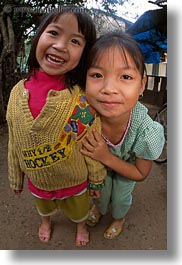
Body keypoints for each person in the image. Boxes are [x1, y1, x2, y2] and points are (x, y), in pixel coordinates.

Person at [6, 6, 106, 247]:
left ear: (85, 53)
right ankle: (46, 222)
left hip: (75, 180)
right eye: (53, 33)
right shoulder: (16, 93)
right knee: (43, 205)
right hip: (38, 180)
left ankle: (81, 226)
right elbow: (14, 140)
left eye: (75, 41)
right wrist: (15, 176)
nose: (61, 46)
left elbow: (92, 142)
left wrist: (96, 179)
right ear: (38, 36)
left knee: (80, 211)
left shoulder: (81, 100)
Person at [80, 31, 165, 240]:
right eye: (97, 75)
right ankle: (99, 209)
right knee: (99, 192)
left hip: (127, 169)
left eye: (125, 77)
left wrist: (106, 157)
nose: (109, 89)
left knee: (119, 198)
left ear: (142, 85)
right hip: (98, 168)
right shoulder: (82, 116)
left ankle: (119, 219)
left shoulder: (146, 131)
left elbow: (140, 173)